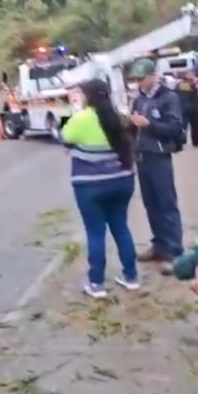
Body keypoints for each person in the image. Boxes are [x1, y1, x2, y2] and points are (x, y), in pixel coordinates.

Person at [60, 79, 138, 299]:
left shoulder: (80, 119)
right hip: (123, 181)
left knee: (95, 233)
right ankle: (131, 278)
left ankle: (97, 284)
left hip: (91, 186)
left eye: (82, 94)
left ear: (89, 96)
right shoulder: (120, 117)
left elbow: (65, 138)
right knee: (121, 228)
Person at [129, 58, 186, 272]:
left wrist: (149, 125)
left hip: (160, 157)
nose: (139, 83)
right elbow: (134, 127)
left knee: (166, 204)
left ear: (153, 76)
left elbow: (174, 128)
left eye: (142, 79)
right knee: (151, 204)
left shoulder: (169, 98)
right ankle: (159, 245)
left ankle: (174, 252)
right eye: (136, 80)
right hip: (142, 156)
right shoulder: (139, 99)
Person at [175, 70, 198, 148]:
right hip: (192, 110)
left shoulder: (179, 85)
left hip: (183, 109)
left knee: (183, 127)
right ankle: (195, 143)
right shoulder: (192, 86)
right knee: (195, 128)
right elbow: (197, 98)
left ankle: (181, 143)